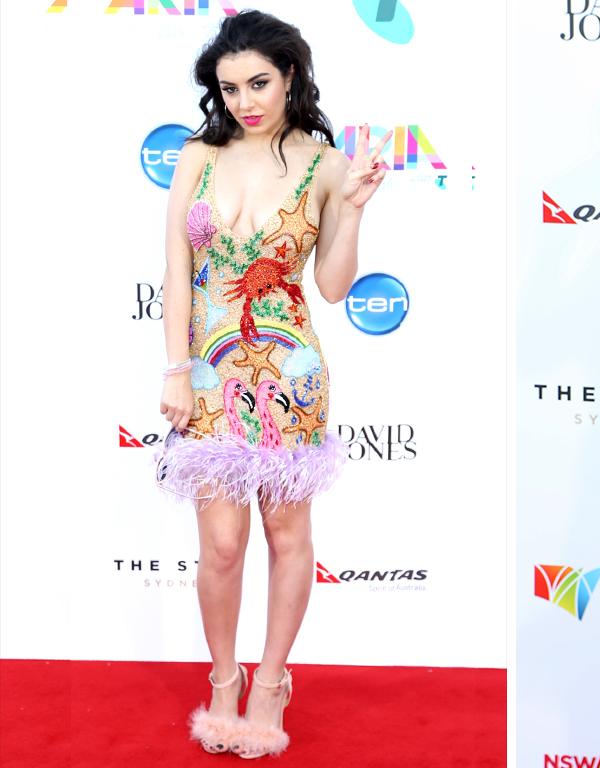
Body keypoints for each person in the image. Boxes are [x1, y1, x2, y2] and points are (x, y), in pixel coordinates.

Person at [154, 10, 391, 759]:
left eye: (259, 82)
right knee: (221, 545)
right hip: (210, 371)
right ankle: (224, 679)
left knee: (288, 536)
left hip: (289, 372)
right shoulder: (197, 155)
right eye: (229, 88)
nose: (245, 101)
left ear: (291, 74)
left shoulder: (326, 164)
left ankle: (271, 682)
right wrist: (176, 370)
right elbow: (175, 273)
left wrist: (351, 210)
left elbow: (331, 285)